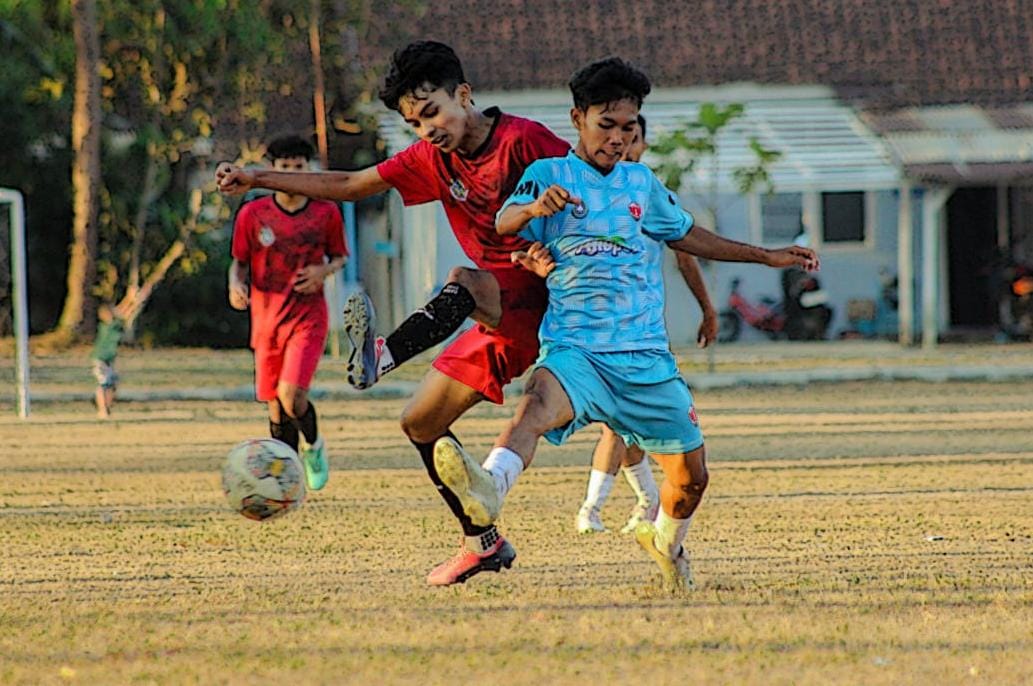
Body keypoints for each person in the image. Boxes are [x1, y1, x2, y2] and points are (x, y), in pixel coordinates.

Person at [431, 56, 819, 591]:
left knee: (691, 482)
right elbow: (504, 220)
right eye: (605, 125)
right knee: (536, 406)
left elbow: (687, 236)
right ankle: (490, 487)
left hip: (645, 358)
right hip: (576, 349)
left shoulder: (642, 183)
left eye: (628, 127)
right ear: (578, 119)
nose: (617, 138)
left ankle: (666, 541)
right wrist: (533, 208)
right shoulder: (550, 175)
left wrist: (766, 255)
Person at [216, 42, 571, 586]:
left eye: (431, 112)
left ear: (464, 95)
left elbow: (589, 195)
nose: (424, 129)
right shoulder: (434, 159)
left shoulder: (525, 141)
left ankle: (381, 356)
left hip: (548, 297)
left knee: (462, 280)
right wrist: (259, 178)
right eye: (413, 122)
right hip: (496, 312)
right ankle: (482, 543)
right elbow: (353, 185)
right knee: (419, 422)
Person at [575, 114, 719, 535]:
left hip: (642, 335)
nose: (624, 144)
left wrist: (707, 310)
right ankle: (595, 509)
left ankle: (641, 502)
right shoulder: (581, 190)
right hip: (594, 333)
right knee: (615, 426)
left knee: (629, 429)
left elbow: (685, 252)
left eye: (633, 138)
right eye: (616, 134)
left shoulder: (648, 192)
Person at [228, 134, 348, 491]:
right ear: (272, 171)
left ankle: (313, 446)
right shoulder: (253, 213)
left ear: (308, 170)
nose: (292, 175)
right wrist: (235, 286)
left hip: (308, 318)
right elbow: (238, 264)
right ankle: (286, 478)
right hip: (266, 321)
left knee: (292, 396)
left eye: (299, 168)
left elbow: (340, 256)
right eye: (285, 168)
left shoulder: (325, 211)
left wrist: (321, 271)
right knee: (276, 408)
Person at [91, 303, 126, 419]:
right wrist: (133, 298)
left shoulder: (114, 325)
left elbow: (123, 312)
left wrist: (132, 298)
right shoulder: (109, 326)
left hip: (109, 361)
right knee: (103, 384)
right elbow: (125, 312)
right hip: (100, 360)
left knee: (112, 385)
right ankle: (102, 410)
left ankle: (107, 407)